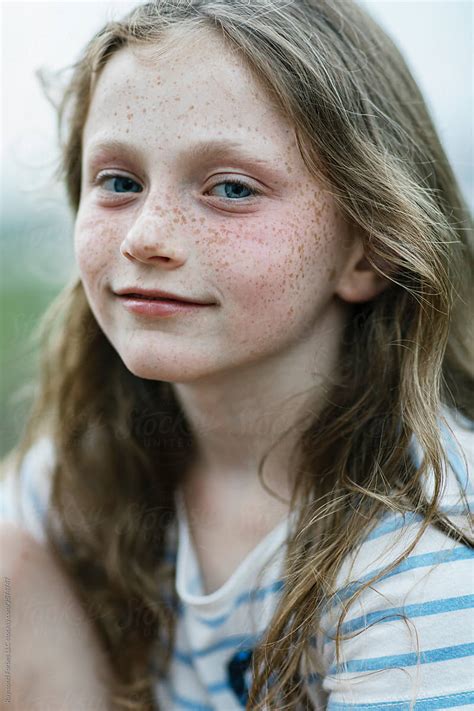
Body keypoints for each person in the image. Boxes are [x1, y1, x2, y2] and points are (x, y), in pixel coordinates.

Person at [1, 0, 473, 709]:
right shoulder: (87, 469)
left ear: (370, 248)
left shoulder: (425, 553)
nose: (146, 236)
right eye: (120, 182)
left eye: (230, 188)